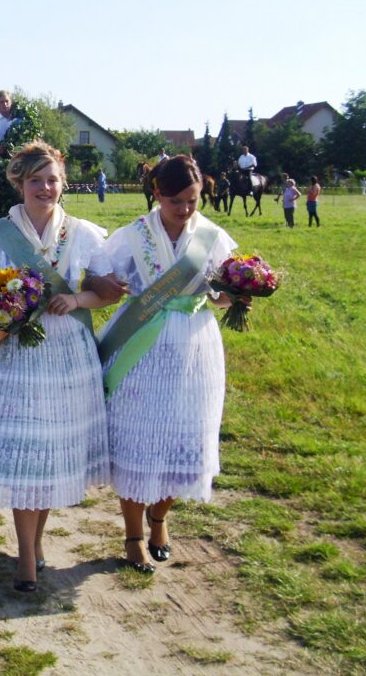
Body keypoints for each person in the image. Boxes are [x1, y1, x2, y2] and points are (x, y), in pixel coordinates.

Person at [0, 142, 118, 592]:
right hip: (12, 354)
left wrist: (77, 298)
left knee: (48, 454)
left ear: (63, 184)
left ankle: (35, 544)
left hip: (66, 355)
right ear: (19, 183)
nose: (44, 188)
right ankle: (26, 557)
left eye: (52, 180)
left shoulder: (85, 234)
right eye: (35, 180)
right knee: (25, 454)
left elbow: (109, 291)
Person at [97, 155, 239, 575]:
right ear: (157, 193)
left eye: (193, 200)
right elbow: (101, 278)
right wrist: (103, 285)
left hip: (194, 346)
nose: (184, 209)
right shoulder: (131, 236)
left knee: (185, 437)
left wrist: (238, 293)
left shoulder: (212, 237)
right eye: (175, 200)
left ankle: (160, 520)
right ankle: (133, 535)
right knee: (138, 439)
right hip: (141, 343)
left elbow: (224, 292)